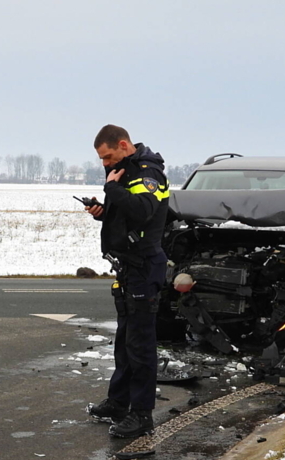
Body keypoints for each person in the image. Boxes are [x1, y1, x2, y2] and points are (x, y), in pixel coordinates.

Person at [83, 125, 170, 441]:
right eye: (102, 160)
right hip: (128, 268)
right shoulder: (126, 171)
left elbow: (144, 211)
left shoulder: (148, 173)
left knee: (141, 344)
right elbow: (126, 215)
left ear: (123, 145)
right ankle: (119, 403)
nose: (105, 164)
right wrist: (102, 211)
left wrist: (112, 190)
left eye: (107, 156)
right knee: (124, 340)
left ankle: (141, 415)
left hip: (144, 268)